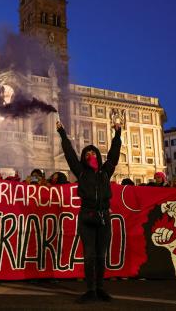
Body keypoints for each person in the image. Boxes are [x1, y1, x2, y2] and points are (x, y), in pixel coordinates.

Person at [56, 119, 121, 303]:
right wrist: (62, 133)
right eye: (87, 153)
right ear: (84, 158)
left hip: (104, 217)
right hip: (86, 216)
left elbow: (114, 155)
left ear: (98, 157)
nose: (90, 155)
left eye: (93, 152)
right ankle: (90, 289)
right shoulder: (81, 172)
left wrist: (117, 134)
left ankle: (100, 288)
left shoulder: (105, 171)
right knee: (89, 255)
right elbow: (69, 154)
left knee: (101, 255)